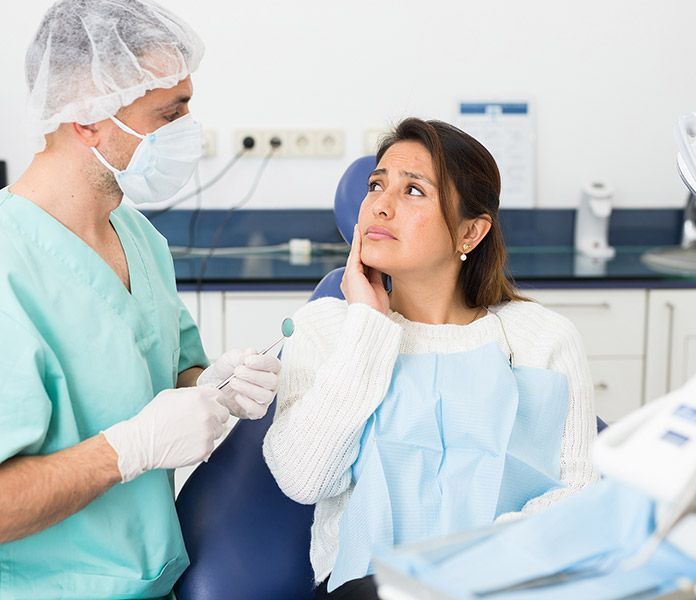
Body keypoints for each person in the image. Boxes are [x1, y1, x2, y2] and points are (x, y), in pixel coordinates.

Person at [0, 1, 279, 598]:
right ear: (87, 122)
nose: (187, 129)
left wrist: (213, 385)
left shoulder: (137, 235)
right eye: (168, 112)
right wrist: (129, 449)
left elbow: (168, 369)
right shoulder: (8, 265)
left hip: (153, 579)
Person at [264, 118, 599, 599]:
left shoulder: (541, 338)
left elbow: (578, 495)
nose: (380, 204)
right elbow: (304, 479)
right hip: (369, 588)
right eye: (376, 184)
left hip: (503, 583)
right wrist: (368, 328)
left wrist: (465, 572)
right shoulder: (330, 329)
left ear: (470, 232)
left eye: (413, 191)